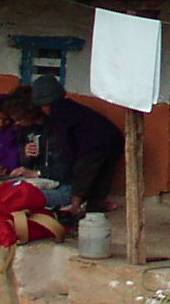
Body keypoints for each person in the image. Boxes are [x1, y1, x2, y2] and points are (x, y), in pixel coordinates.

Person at [31, 74, 122, 216]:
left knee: (84, 173)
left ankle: (75, 207)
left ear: (45, 105)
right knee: (102, 176)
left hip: (95, 144)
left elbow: (68, 147)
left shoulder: (60, 114)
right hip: (112, 138)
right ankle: (95, 205)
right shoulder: (68, 107)